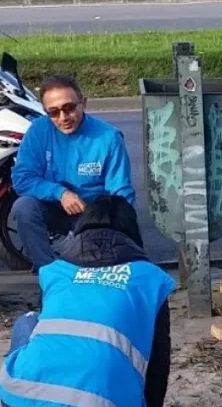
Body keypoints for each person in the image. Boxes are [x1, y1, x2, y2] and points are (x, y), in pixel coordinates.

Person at [0, 195, 174, 407]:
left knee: (28, 322)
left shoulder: (56, 272)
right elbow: (158, 367)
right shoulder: (150, 280)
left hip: (25, 405)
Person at [11, 74, 136, 273]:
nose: (63, 118)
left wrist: (113, 231)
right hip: (53, 207)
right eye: (53, 112)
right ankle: (47, 275)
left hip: (93, 216)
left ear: (83, 103)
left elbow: (121, 194)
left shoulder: (109, 137)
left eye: (69, 108)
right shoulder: (37, 131)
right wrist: (60, 193)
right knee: (23, 207)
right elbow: (22, 178)